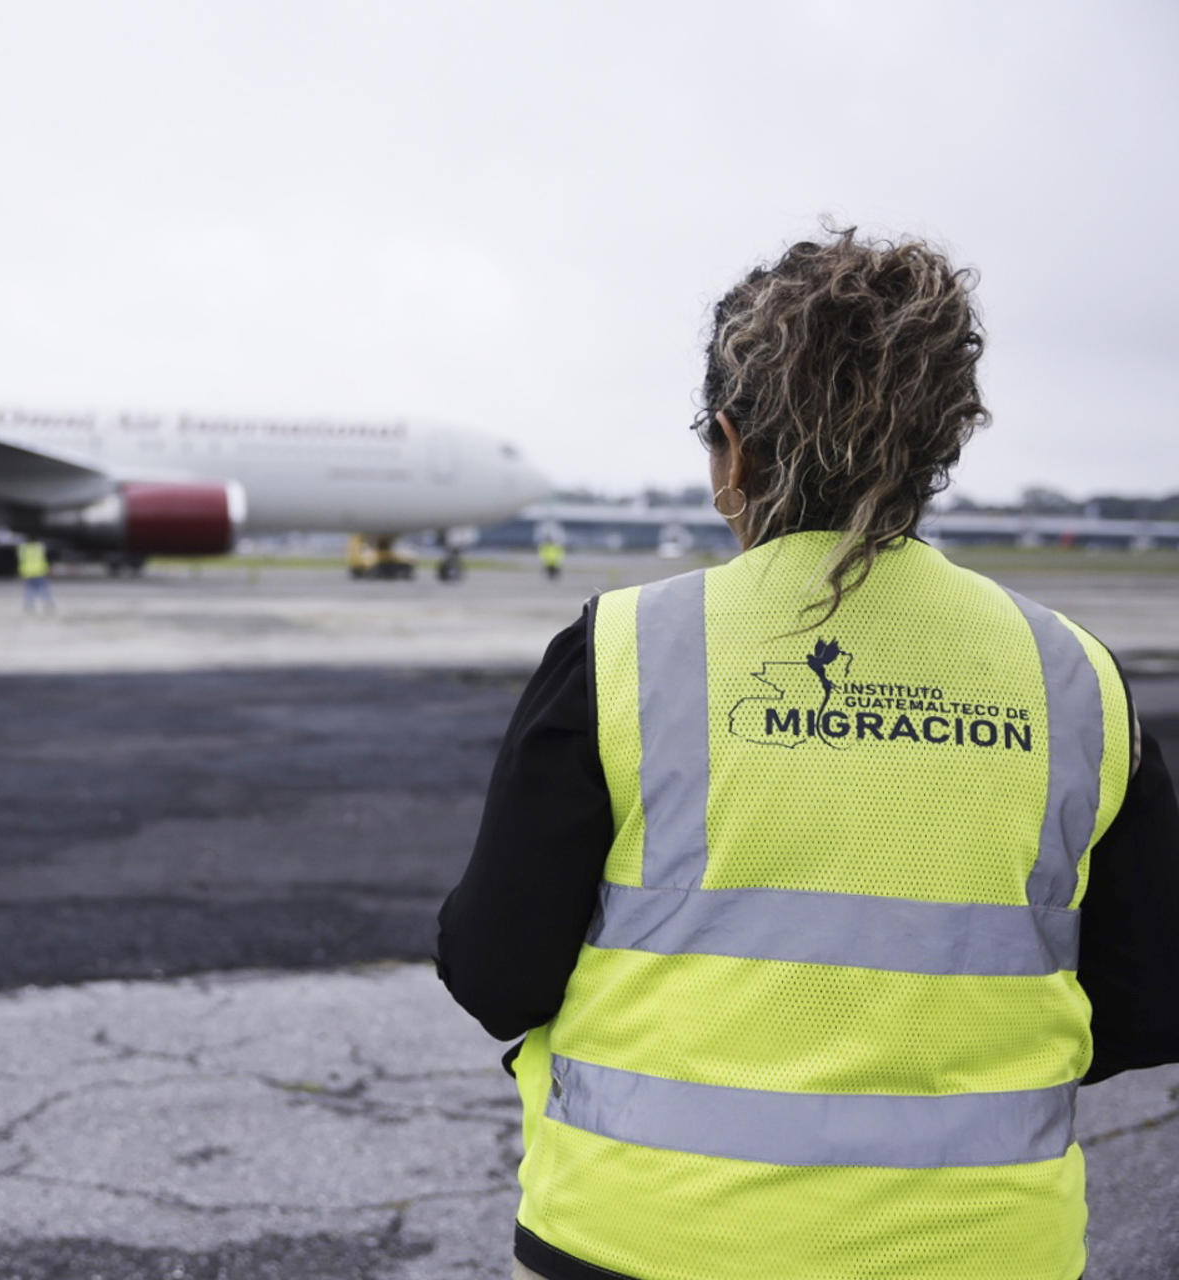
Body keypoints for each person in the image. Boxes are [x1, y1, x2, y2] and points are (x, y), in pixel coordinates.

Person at [437, 229, 1179, 1280]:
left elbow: (495, 971)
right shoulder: (1077, 679)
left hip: (641, 1236)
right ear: (938, 446)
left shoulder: (625, 651)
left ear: (732, 448)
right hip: (981, 1248)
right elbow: (1151, 1000)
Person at [19, 538, 55, 614]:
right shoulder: (39, 548)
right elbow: (44, 559)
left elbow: (21, 561)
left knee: (29, 589)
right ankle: (48, 603)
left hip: (28, 572)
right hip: (39, 571)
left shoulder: (24, 549)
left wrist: (22, 572)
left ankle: (28, 605)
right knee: (43, 588)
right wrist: (47, 570)